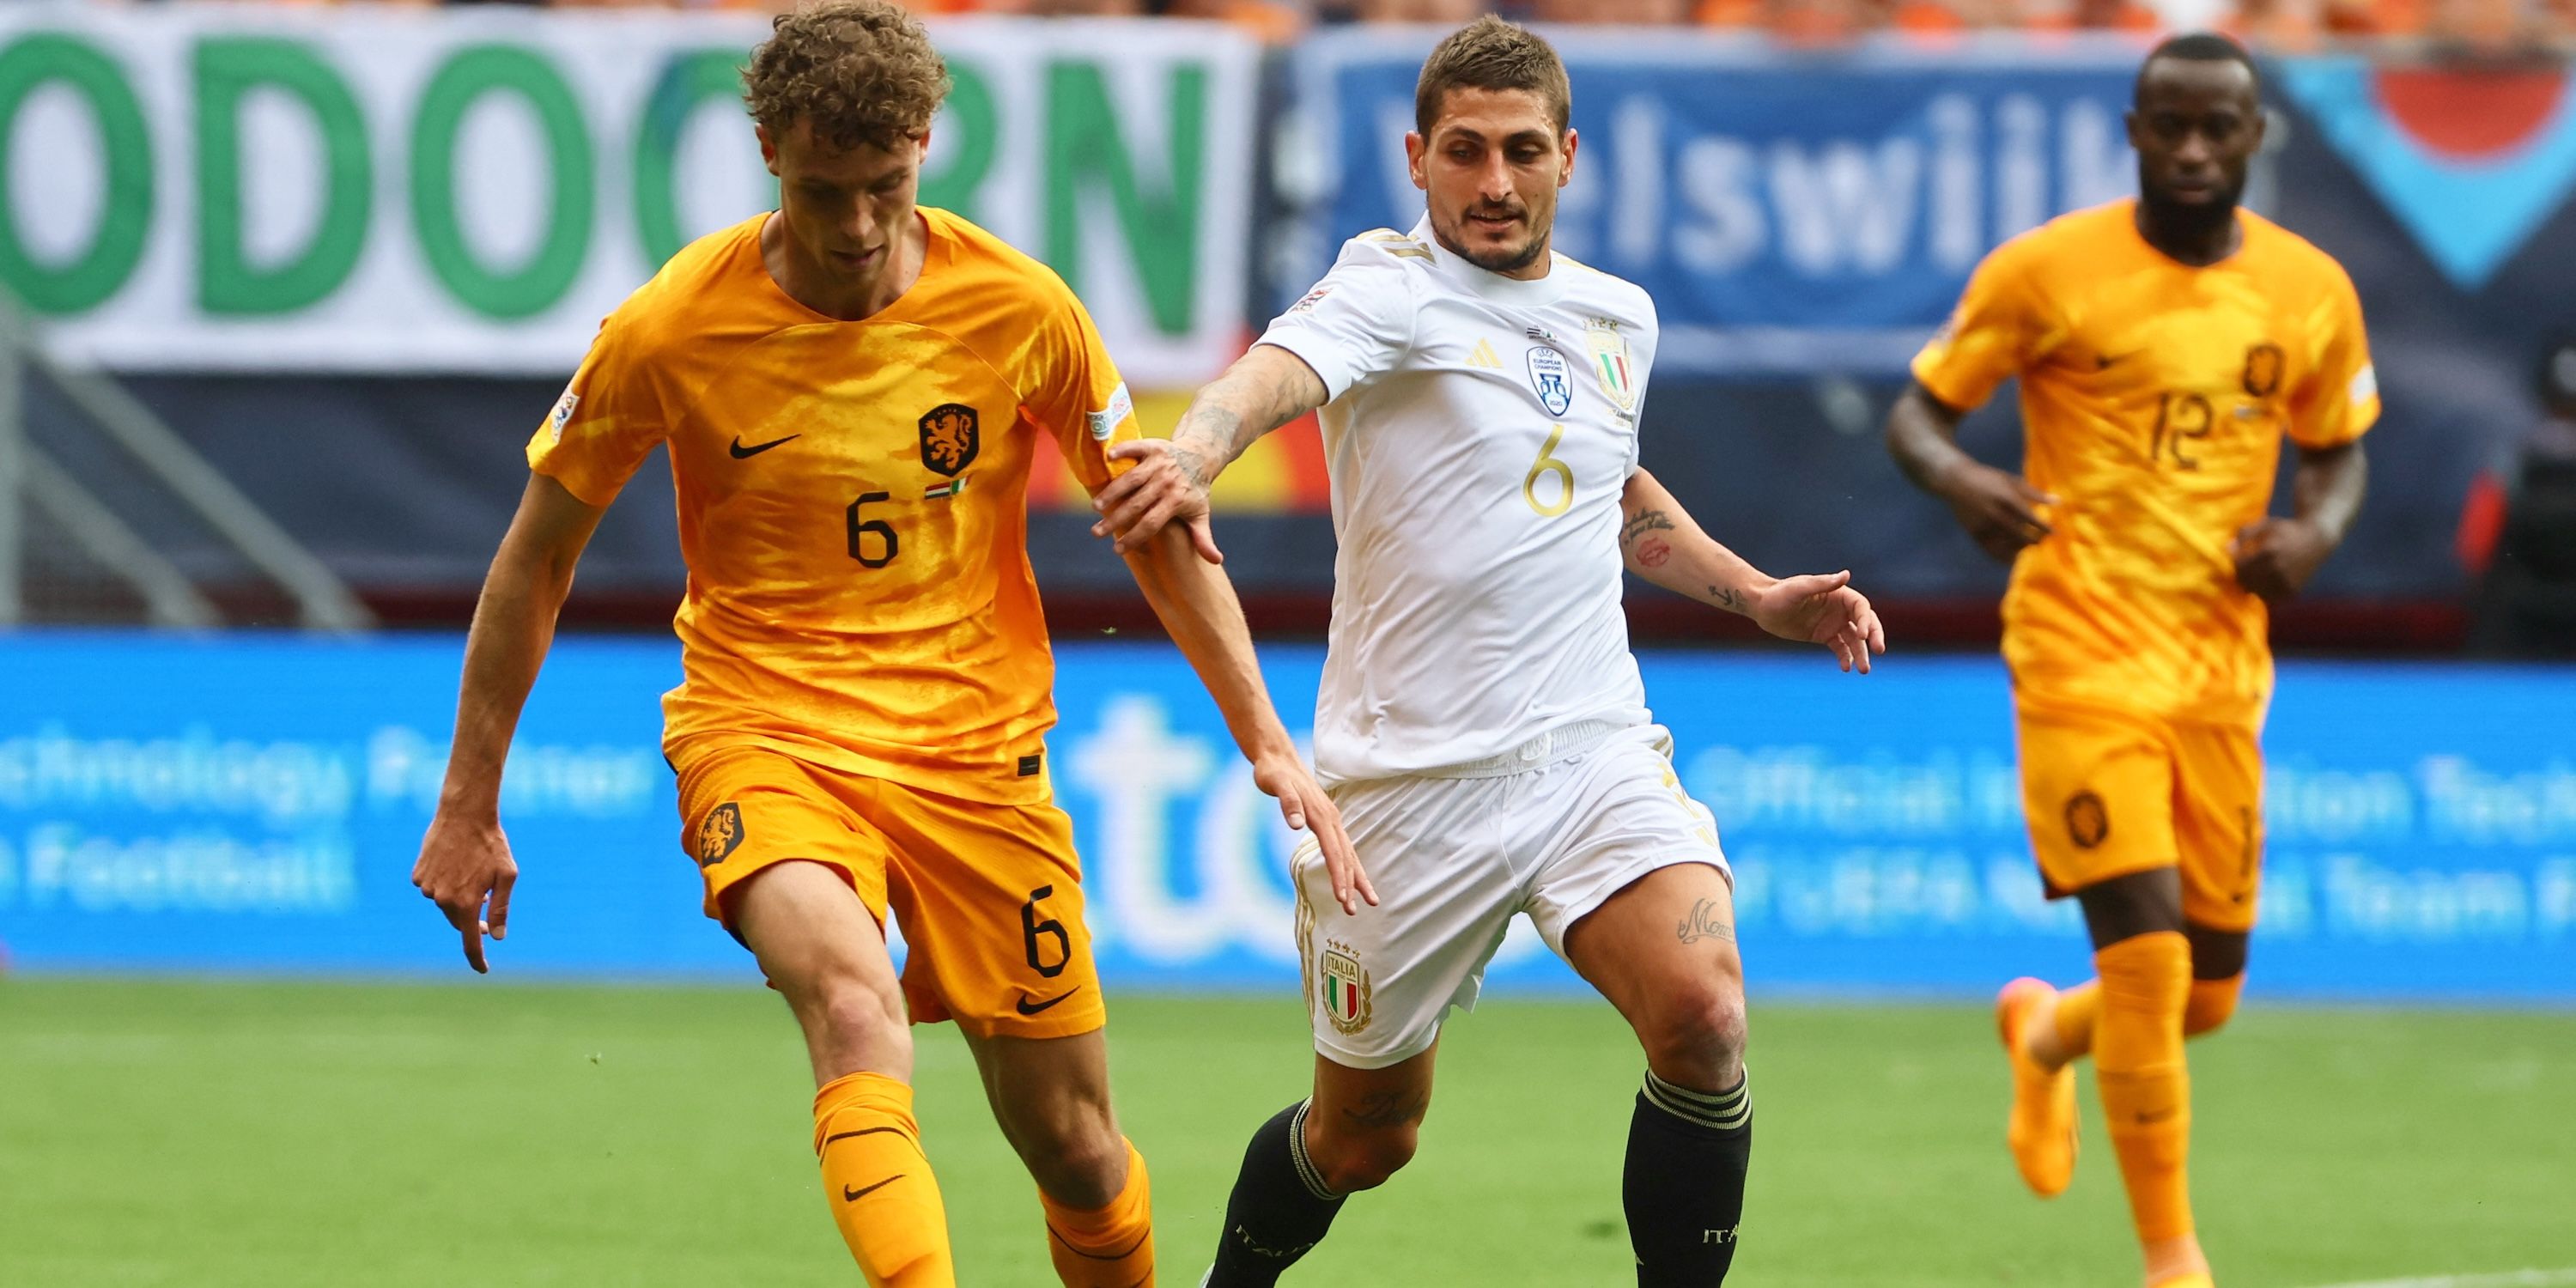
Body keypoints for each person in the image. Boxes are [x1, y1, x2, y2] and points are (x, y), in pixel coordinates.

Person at [407, 5, 1361, 1286]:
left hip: (977, 761)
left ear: (923, 146)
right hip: (765, 733)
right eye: (820, 192)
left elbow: (1154, 529)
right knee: (852, 1008)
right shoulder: (669, 329)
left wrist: (1266, 740)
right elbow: (536, 556)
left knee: (1076, 1150)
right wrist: (469, 801)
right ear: (764, 152)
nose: (855, 226)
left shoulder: (1022, 309)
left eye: (883, 189)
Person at [1089, 17, 1883, 1284]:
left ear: (1570, 156)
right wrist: (1193, 453)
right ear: (1419, 158)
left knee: (1704, 1014)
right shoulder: (1385, 287)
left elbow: (1609, 487)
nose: (1495, 183)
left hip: (1588, 752)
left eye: (1523, 151)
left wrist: (1755, 596)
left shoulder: (1617, 315)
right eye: (1465, 152)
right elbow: (1274, 376)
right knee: (1365, 1141)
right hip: (1405, 788)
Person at [1883, 33, 2374, 1288]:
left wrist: (2314, 530)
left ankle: (2046, 1034)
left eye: (2221, 128)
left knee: (2205, 995)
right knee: (2149, 964)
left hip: (2219, 667)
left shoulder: (2310, 288)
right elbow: (1920, 412)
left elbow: (2337, 443)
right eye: (2174, 128)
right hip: (2078, 648)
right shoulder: (2049, 272)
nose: (2198, 150)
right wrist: (1964, 480)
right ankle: (2173, 1260)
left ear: (2257, 134)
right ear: (2135, 131)